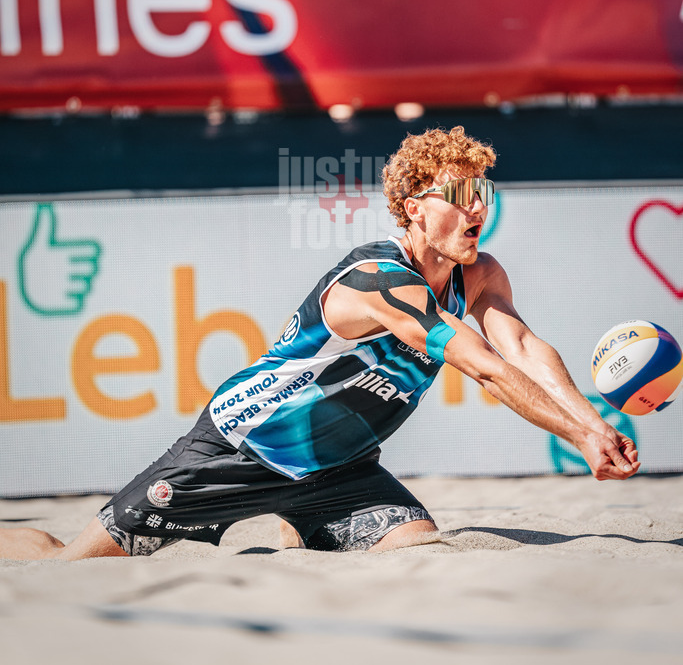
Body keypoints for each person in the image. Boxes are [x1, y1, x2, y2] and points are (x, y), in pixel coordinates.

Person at [0, 126, 639, 561]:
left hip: (342, 470)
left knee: (418, 548)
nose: (478, 209)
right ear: (415, 208)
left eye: (484, 194)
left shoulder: (481, 273)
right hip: (237, 448)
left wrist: (593, 421)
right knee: (74, 562)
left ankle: (296, 522)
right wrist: (580, 439)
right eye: (460, 196)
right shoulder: (377, 281)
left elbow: (522, 347)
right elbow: (488, 368)